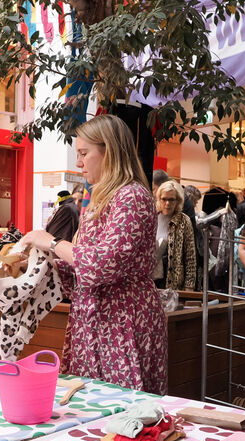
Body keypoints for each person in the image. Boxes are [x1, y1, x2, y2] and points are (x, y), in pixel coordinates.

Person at [19, 114, 167, 394]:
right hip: (98, 321)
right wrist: (38, 262)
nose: (78, 163)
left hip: (122, 322)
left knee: (122, 412)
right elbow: (83, 267)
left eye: (84, 153)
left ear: (109, 152)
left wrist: (50, 242)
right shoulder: (104, 198)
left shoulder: (131, 196)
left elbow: (100, 265)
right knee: (96, 410)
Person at [153, 180, 197, 291]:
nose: (167, 203)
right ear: (159, 199)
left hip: (173, 282)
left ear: (177, 201)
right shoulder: (152, 217)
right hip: (151, 280)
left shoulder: (184, 221)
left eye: (171, 200)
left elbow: (190, 256)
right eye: (164, 199)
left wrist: (189, 286)